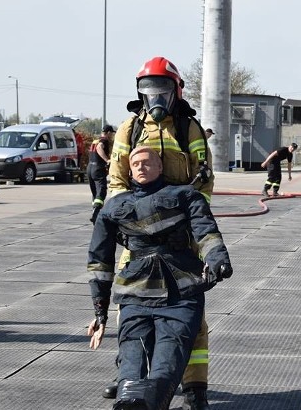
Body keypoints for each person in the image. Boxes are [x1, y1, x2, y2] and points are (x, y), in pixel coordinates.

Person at [87, 147, 232, 410]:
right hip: (135, 289)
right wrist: (100, 310)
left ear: (161, 167)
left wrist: (218, 260)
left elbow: (205, 230)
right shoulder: (115, 207)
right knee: (132, 350)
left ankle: (165, 397)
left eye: (147, 162)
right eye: (135, 164)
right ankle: (129, 398)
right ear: (128, 170)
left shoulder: (185, 195)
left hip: (180, 289)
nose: (141, 167)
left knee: (169, 354)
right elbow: (100, 260)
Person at [107, 56, 215, 409]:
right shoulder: (129, 129)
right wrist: (126, 219)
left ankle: (195, 386)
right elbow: (116, 181)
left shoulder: (189, 130)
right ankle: (130, 377)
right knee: (131, 309)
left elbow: (205, 182)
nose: (155, 97)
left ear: (176, 91)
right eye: (148, 90)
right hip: (137, 241)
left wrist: (187, 218)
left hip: (182, 240)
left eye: (162, 89)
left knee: (191, 314)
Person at [87, 125, 115, 224]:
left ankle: (95, 213)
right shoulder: (104, 141)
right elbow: (100, 148)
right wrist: (107, 160)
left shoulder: (96, 140)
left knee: (95, 193)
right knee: (101, 190)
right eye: (111, 133)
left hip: (90, 168)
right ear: (108, 133)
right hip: (98, 168)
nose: (112, 136)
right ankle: (96, 211)